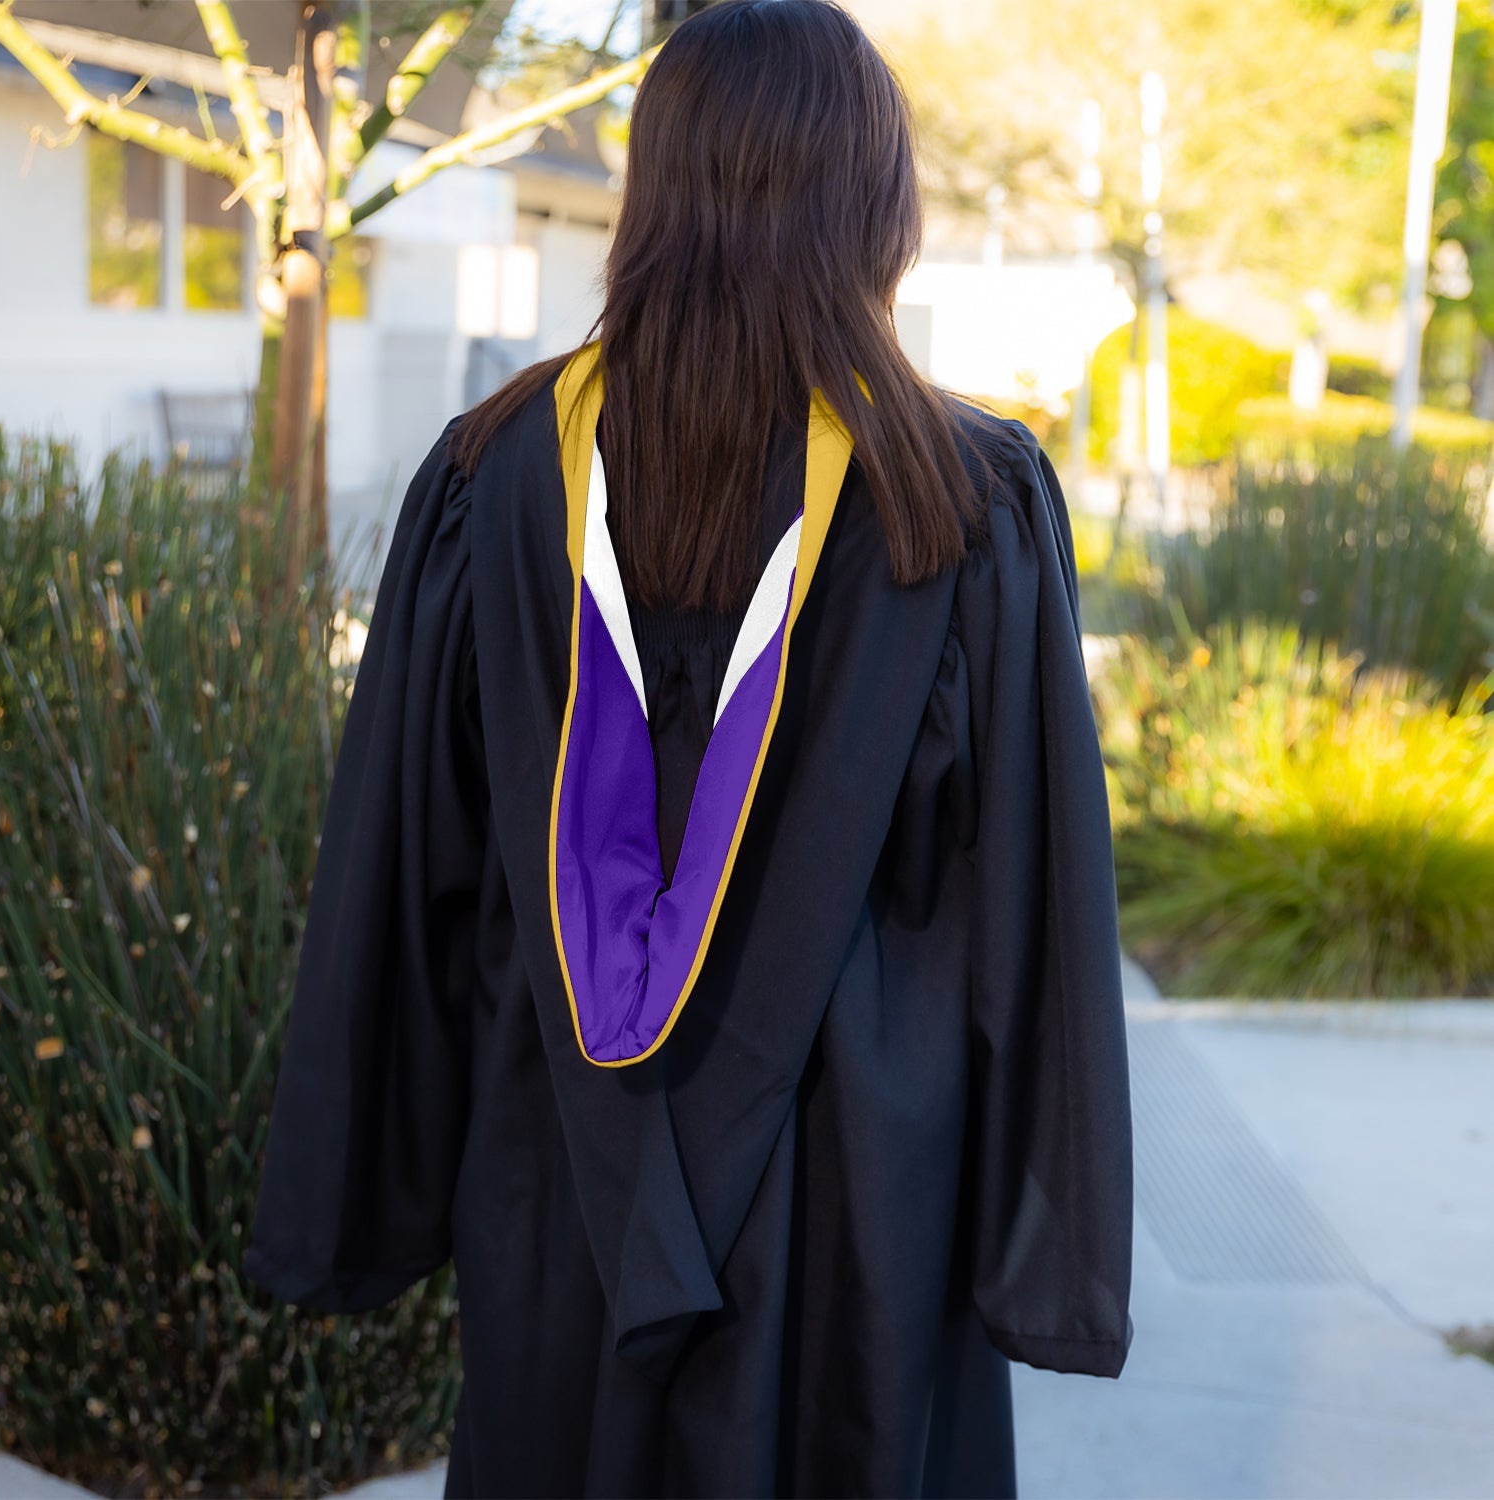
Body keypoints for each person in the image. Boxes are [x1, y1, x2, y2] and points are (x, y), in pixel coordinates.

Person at [241, 2, 1135, 1496]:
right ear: (879, 204)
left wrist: (356, 1199)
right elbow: (1034, 908)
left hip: (562, 1194)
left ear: (651, 191)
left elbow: (406, 875)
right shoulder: (963, 504)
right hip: (869, 1217)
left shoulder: (495, 478)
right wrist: (1044, 1244)